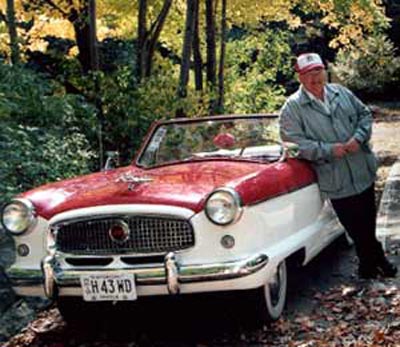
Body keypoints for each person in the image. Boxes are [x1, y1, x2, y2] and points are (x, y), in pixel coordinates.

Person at [279, 52, 397, 279]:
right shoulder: (292, 108)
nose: (315, 77)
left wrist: (358, 138)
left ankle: (368, 268)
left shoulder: (341, 92)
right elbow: (294, 143)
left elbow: (364, 115)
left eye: (318, 71)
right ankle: (378, 260)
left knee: (367, 223)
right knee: (354, 226)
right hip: (334, 177)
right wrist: (328, 150)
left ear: (325, 71)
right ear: (300, 78)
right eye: (308, 74)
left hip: (362, 169)